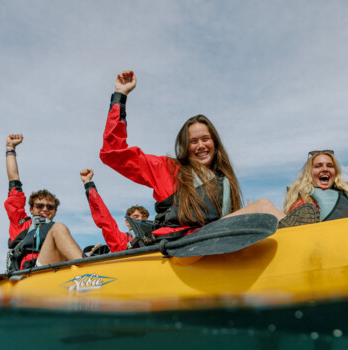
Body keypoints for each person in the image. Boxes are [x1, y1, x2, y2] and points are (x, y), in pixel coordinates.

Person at [99, 70, 306, 238]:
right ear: (184, 146)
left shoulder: (222, 179)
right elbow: (113, 153)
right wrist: (120, 97)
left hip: (213, 242)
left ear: (215, 143)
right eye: (193, 141)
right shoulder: (167, 169)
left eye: (205, 139)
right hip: (182, 243)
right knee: (263, 206)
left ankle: (303, 238)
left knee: (260, 214)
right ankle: (305, 238)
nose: (200, 146)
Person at [4, 134, 83, 271]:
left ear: (55, 211)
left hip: (55, 269)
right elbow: (13, 179)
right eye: (39, 206)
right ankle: (90, 270)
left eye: (50, 207)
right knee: (58, 228)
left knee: (59, 230)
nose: (45, 209)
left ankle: (91, 268)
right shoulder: (20, 223)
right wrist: (10, 148)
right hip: (30, 272)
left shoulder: (58, 233)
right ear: (31, 209)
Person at [283, 132, 348, 222]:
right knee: (265, 204)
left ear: (335, 172)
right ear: (309, 173)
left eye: (330, 166)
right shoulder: (301, 201)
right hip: (318, 242)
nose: (325, 169)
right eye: (318, 166)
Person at [79, 168, 151, 253]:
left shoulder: (158, 236)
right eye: (136, 216)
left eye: (144, 217)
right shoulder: (120, 239)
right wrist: (88, 183)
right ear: (127, 222)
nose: (140, 219)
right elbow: (104, 217)